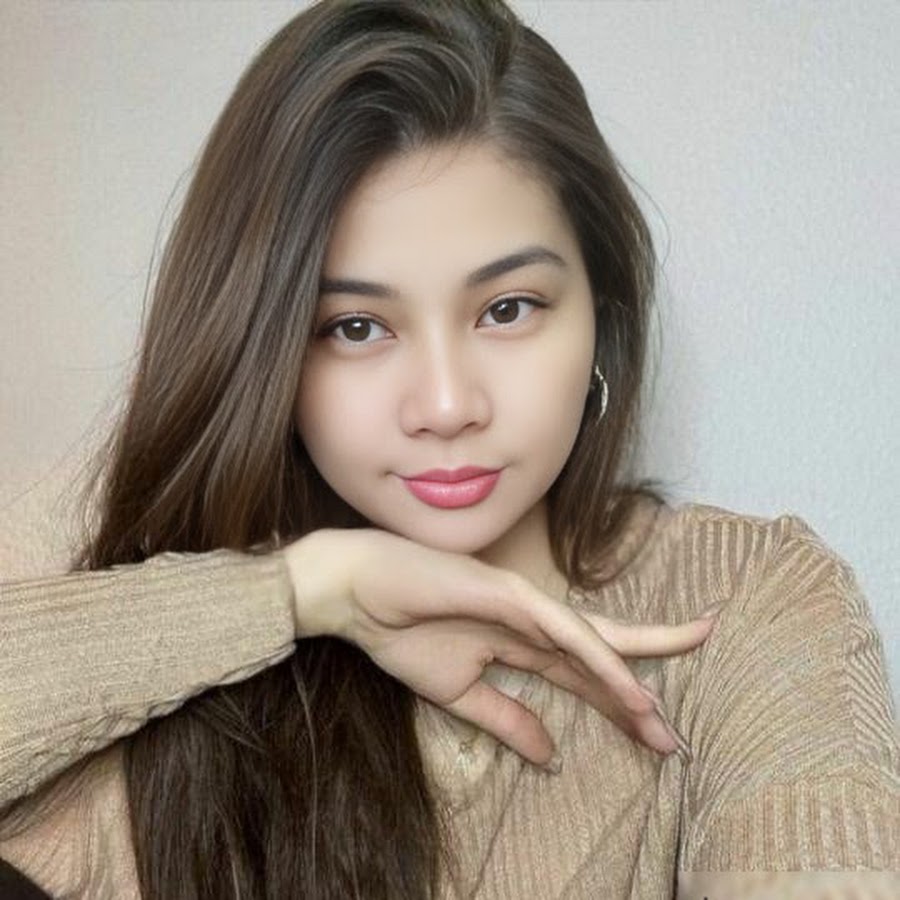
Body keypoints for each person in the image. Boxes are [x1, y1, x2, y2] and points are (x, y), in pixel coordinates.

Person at [0, 1, 897, 898]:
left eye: (507, 309)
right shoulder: (142, 603)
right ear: (266, 349)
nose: (444, 406)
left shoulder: (746, 601)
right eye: (356, 326)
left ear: (601, 312)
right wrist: (299, 592)